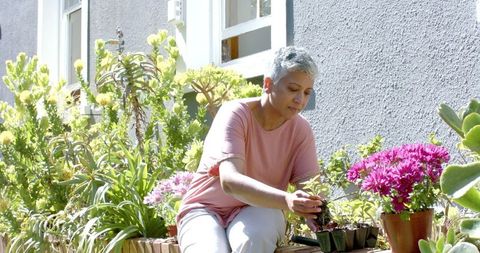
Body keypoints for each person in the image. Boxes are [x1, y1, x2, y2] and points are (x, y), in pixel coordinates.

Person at [177, 46, 324, 253]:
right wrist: (288, 200)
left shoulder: (301, 130)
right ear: (267, 84)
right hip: (205, 209)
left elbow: (311, 188)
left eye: (307, 92)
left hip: (258, 210)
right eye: (293, 89)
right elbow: (230, 181)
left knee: (255, 239)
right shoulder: (235, 114)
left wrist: (315, 213)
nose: (300, 100)